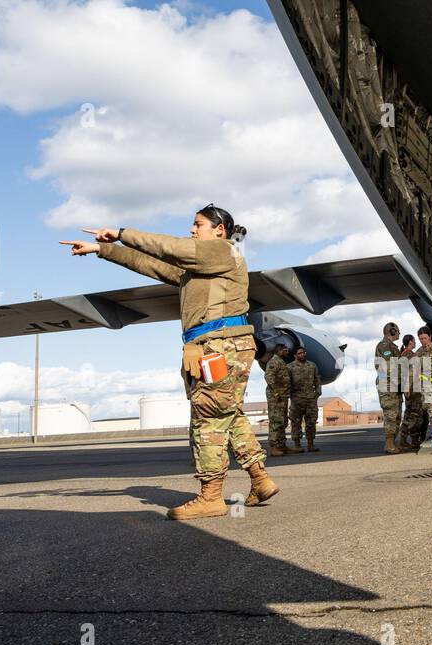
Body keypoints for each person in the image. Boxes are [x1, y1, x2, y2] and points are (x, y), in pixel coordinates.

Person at [59, 205, 278, 518]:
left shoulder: (219, 251)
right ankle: (260, 478)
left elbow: (171, 248)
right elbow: (151, 263)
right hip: (221, 345)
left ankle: (211, 497)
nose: (191, 230)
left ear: (219, 230)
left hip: (219, 345)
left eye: (197, 224)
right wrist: (104, 249)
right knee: (228, 413)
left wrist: (122, 233)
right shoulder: (201, 267)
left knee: (208, 418)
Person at [375, 322, 403, 454]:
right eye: (397, 331)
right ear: (392, 331)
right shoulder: (384, 345)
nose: (399, 333)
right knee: (391, 415)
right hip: (387, 385)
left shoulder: (392, 346)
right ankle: (389, 444)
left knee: (397, 415)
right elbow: (387, 367)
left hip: (394, 385)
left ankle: (392, 443)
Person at [287, 346, 322, 452]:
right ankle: (297, 445)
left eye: (303, 352)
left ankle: (311, 445)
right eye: (299, 353)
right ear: (295, 355)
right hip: (297, 399)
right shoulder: (290, 367)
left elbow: (317, 379)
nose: (302, 355)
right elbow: (287, 383)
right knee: (296, 423)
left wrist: (318, 392)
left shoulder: (312, 365)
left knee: (311, 422)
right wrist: (290, 395)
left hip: (311, 399)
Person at [264, 345, 293, 457]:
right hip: (275, 397)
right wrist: (276, 392)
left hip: (283, 396)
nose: (287, 352)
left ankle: (282, 445)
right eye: (285, 351)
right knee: (276, 421)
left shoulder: (281, 362)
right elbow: (269, 377)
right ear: (279, 351)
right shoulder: (274, 361)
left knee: (282, 421)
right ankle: (274, 447)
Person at [398, 334, 424, 449]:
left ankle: (414, 440)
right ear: (410, 342)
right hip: (412, 389)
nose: (415, 343)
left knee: (414, 414)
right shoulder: (408, 355)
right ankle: (403, 439)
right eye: (414, 341)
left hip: (412, 388)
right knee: (413, 415)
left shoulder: (405, 354)